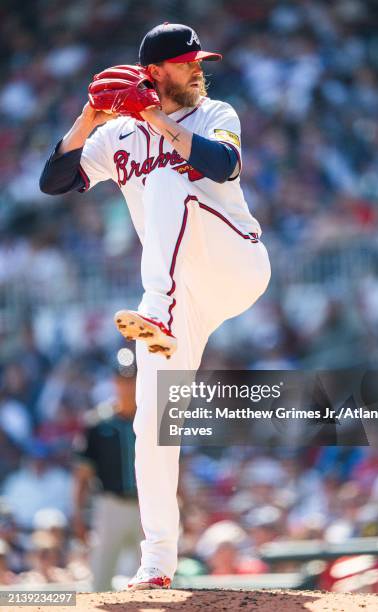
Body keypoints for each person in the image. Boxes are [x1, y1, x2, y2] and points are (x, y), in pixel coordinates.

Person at [39, 23, 271, 589]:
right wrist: (89, 119)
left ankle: (157, 310)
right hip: (178, 295)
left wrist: (155, 120)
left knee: (171, 182)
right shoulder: (116, 134)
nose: (198, 68)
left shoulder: (217, 112)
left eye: (198, 60)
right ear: (155, 72)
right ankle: (158, 562)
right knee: (151, 423)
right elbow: (54, 180)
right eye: (187, 62)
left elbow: (223, 166)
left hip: (233, 262)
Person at [72, 371, 143, 591]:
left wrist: (182, 506)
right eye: (122, 379)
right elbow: (83, 475)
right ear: (114, 382)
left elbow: (172, 466)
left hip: (147, 506)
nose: (127, 385)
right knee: (101, 577)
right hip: (111, 504)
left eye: (131, 379)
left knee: (156, 574)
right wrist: (78, 516)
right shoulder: (97, 423)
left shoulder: (152, 416)